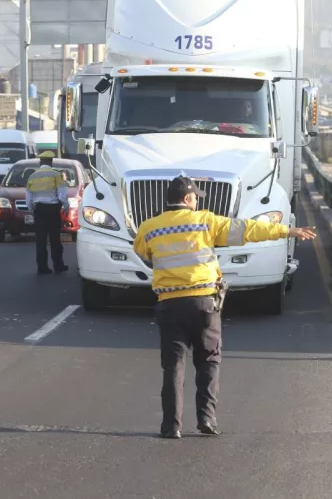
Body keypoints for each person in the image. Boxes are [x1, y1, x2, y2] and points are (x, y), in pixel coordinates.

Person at [133, 176, 317, 439]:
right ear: (187, 199)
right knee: (208, 361)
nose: (197, 201)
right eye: (195, 197)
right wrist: (286, 231)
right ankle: (206, 419)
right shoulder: (205, 222)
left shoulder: (149, 227)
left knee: (173, 366)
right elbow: (246, 229)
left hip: (169, 304)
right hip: (204, 304)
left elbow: (144, 254)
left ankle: (171, 426)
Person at [24, 150, 69, 275]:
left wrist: (32, 210)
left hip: (39, 211)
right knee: (55, 240)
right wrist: (66, 207)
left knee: (41, 240)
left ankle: (42, 268)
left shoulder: (32, 176)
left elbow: (28, 197)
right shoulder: (56, 175)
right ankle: (58, 265)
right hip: (53, 211)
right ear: (51, 162)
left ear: (40, 162)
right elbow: (62, 196)